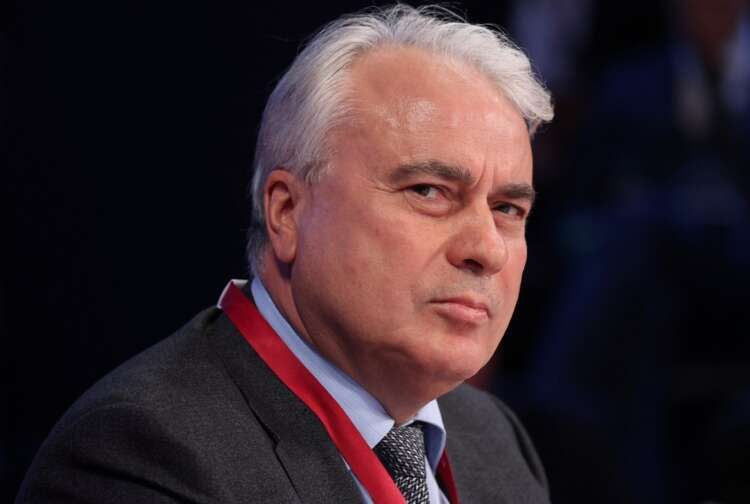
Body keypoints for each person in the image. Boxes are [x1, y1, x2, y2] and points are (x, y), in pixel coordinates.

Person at [17, 5, 553, 503]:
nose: (486, 249)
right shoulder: (138, 454)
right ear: (287, 212)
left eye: (508, 208)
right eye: (428, 191)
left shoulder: (494, 440)